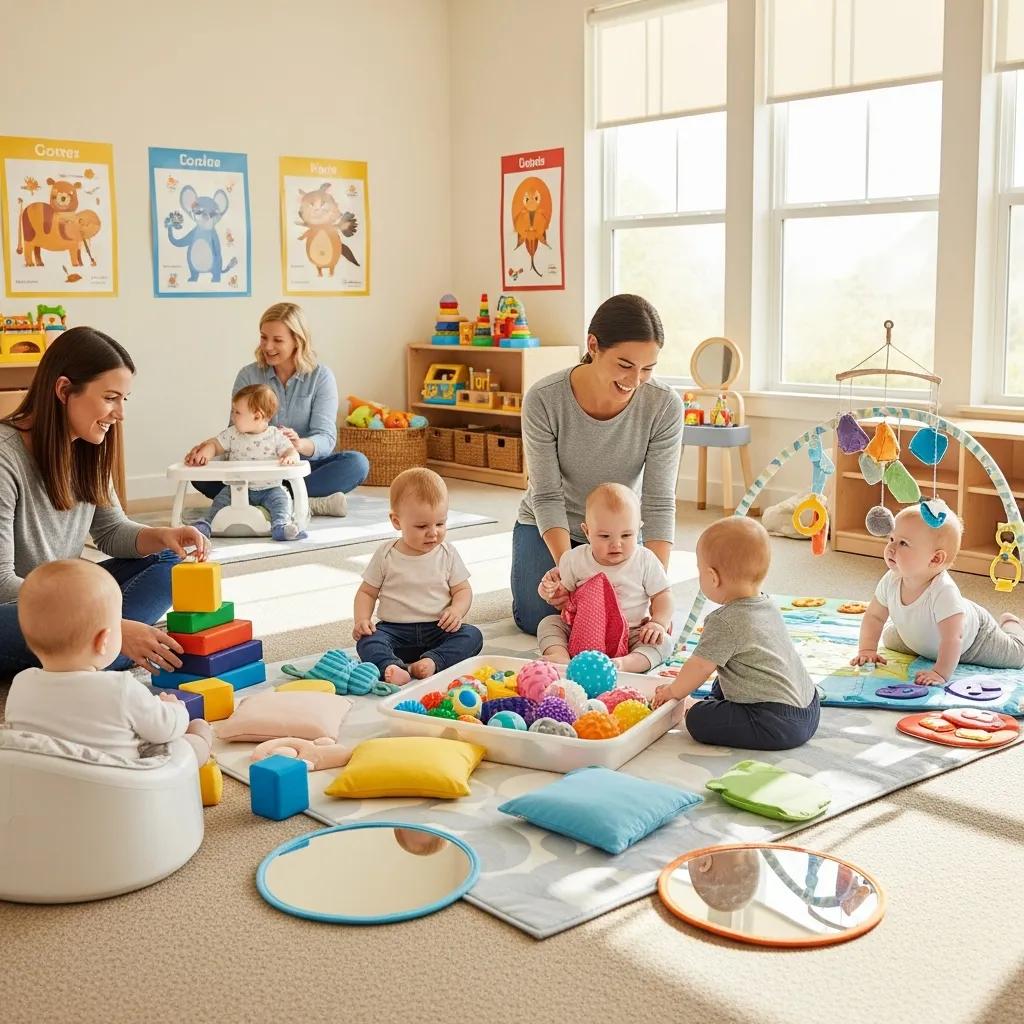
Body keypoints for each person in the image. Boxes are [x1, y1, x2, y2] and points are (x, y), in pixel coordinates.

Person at [0, 327, 209, 680]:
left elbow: (111, 531)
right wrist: (107, 621)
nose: (120, 413)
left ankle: (101, 645)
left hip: (69, 599)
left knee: (174, 558)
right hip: (13, 607)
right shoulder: (5, 457)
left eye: (124, 399)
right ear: (64, 390)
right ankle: (111, 642)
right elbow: (3, 583)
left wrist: (164, 536)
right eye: (111, 397)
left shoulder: (86, 447)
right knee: (108, 643)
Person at [512, 294, 683, 635]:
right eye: (624, 365)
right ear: (594, 345)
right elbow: (546, 495)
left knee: (623, 619)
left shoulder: (664, 406)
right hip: (555, 527)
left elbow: (659, 501)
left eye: (647, 369)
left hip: (619, 530)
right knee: (539, 618)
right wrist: (569, 573)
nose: (634, 380)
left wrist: (651, 586)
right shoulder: (544, 399)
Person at [5, 560, 213, 764]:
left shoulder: (21, 685)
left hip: (50, 787)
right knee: (187, 741)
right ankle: (203, 740)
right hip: (123, 789)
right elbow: (165, 728)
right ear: (103, 641)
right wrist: (175, 709)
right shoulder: (121, 688)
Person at [185, 303, 369, 518]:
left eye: (278, 340)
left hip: (300, 467)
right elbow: (235, 429)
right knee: (197, 474)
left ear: (297, 341)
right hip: (253, 470)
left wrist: (300, 444)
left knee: (356, 464)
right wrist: (207, 450)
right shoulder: (248, 375)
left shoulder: (320, 377)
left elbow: (326, 439)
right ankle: (301, 502)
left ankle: (262, 502)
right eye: (264, 337)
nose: (268, 346)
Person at [652, 517, 820, 751]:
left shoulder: (724, 621)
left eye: (699, 571)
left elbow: (700, 666)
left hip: (777, 722)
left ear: (713, 577)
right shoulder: (767, 604)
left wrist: (673, 691)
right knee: (724, 677)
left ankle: (710, 709)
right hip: (809, 706)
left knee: (697, 718)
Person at [850, 504, 1024, 683]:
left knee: (1018, 656)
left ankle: (1012, 623)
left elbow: (953, 638)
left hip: (974, 640)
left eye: (903, 543)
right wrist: (867, 650)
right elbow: (874, 617)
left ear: (935, 559)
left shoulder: (944, 591)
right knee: (889, 639)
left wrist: (940, 673)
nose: (891, 548)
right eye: (891, 539)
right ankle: (920, 636)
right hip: (925, 638)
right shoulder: (891, 579)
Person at [353, 467, 483, 685]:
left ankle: (433, 662)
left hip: (438, 629)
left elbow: (462, 589)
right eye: (422, 526)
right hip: (394, 631)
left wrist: (456, 610)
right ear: (397, 521)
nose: (433, 532)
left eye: (440, 523)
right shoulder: (386, 554)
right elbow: (367, 592)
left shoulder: (447, 553)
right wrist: (362, 620)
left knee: (472, 635)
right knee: (367, 641)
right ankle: (392, 666)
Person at [537, 482, 674, 671]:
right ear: (587, 532)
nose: (616, 544)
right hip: (582, 629)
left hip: (632, 632)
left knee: (663, 642)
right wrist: (549, 590)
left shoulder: (644, 559)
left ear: (638, 529)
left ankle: (623, 664)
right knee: (549, 623)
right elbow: (564, 595)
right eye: (604, 536)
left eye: (626, 535)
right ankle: (559, 656)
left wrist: (658, 622)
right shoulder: (575, 559)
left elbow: (663, 594)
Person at [185, 383, 306, 542]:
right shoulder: (233, 434)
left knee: (282, 501)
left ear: (257, 416)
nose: (233, 416)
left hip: (270, 487)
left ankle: (281, 526)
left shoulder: (275, 436)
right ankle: (206, 524)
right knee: (220, 501)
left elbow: (290, 450)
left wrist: (290, 457)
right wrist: (205, 453)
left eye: (237, 412)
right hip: (237, 487)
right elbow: (215, 444)